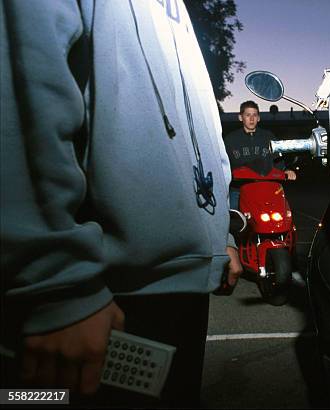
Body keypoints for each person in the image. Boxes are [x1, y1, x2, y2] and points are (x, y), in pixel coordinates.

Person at [0, 0, 241, 407]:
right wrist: (57, 285)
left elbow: (197, 120)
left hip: (179, 282)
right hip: (100, 292)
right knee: (34, 397)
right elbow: (20, 83)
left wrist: (220, 232)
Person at [224, 100, 297, 209]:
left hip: (265, 188)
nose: (251, 119)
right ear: (240, 117)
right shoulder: (230, 139)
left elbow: (278, 158)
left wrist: (285, 170)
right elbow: (222, 163)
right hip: (238, 190)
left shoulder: (268, 136)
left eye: (254, 115)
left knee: (279, 215)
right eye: (248, 115)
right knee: (231, 220)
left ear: (259, 118)